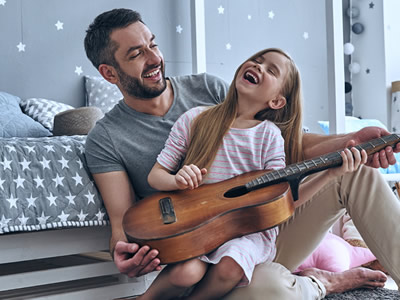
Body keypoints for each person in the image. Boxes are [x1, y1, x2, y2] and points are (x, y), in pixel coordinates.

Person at [83, 8, 400, 300]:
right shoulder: (106, 137)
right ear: (109, 73)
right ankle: (326, 282)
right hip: (195, 258)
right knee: (269, 290)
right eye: (136, 53)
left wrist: (350, 139)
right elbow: (122, 223)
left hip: (255, 232)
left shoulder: (206, 89)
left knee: (356, 172)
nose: (154, 57)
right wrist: (125, 254)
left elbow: (292, 145)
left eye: (153, 44)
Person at [142, 48, 367, 299]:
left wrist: (328, 175)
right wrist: (176, 180)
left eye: (271, 70)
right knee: (185, 274)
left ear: (277, 102)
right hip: (199, 228)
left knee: (230, 267)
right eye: (257, 61)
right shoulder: (195, 119)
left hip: (248, 233)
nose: (258, 67)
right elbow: (156, 175)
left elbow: (282, 200)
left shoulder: (269, 135)